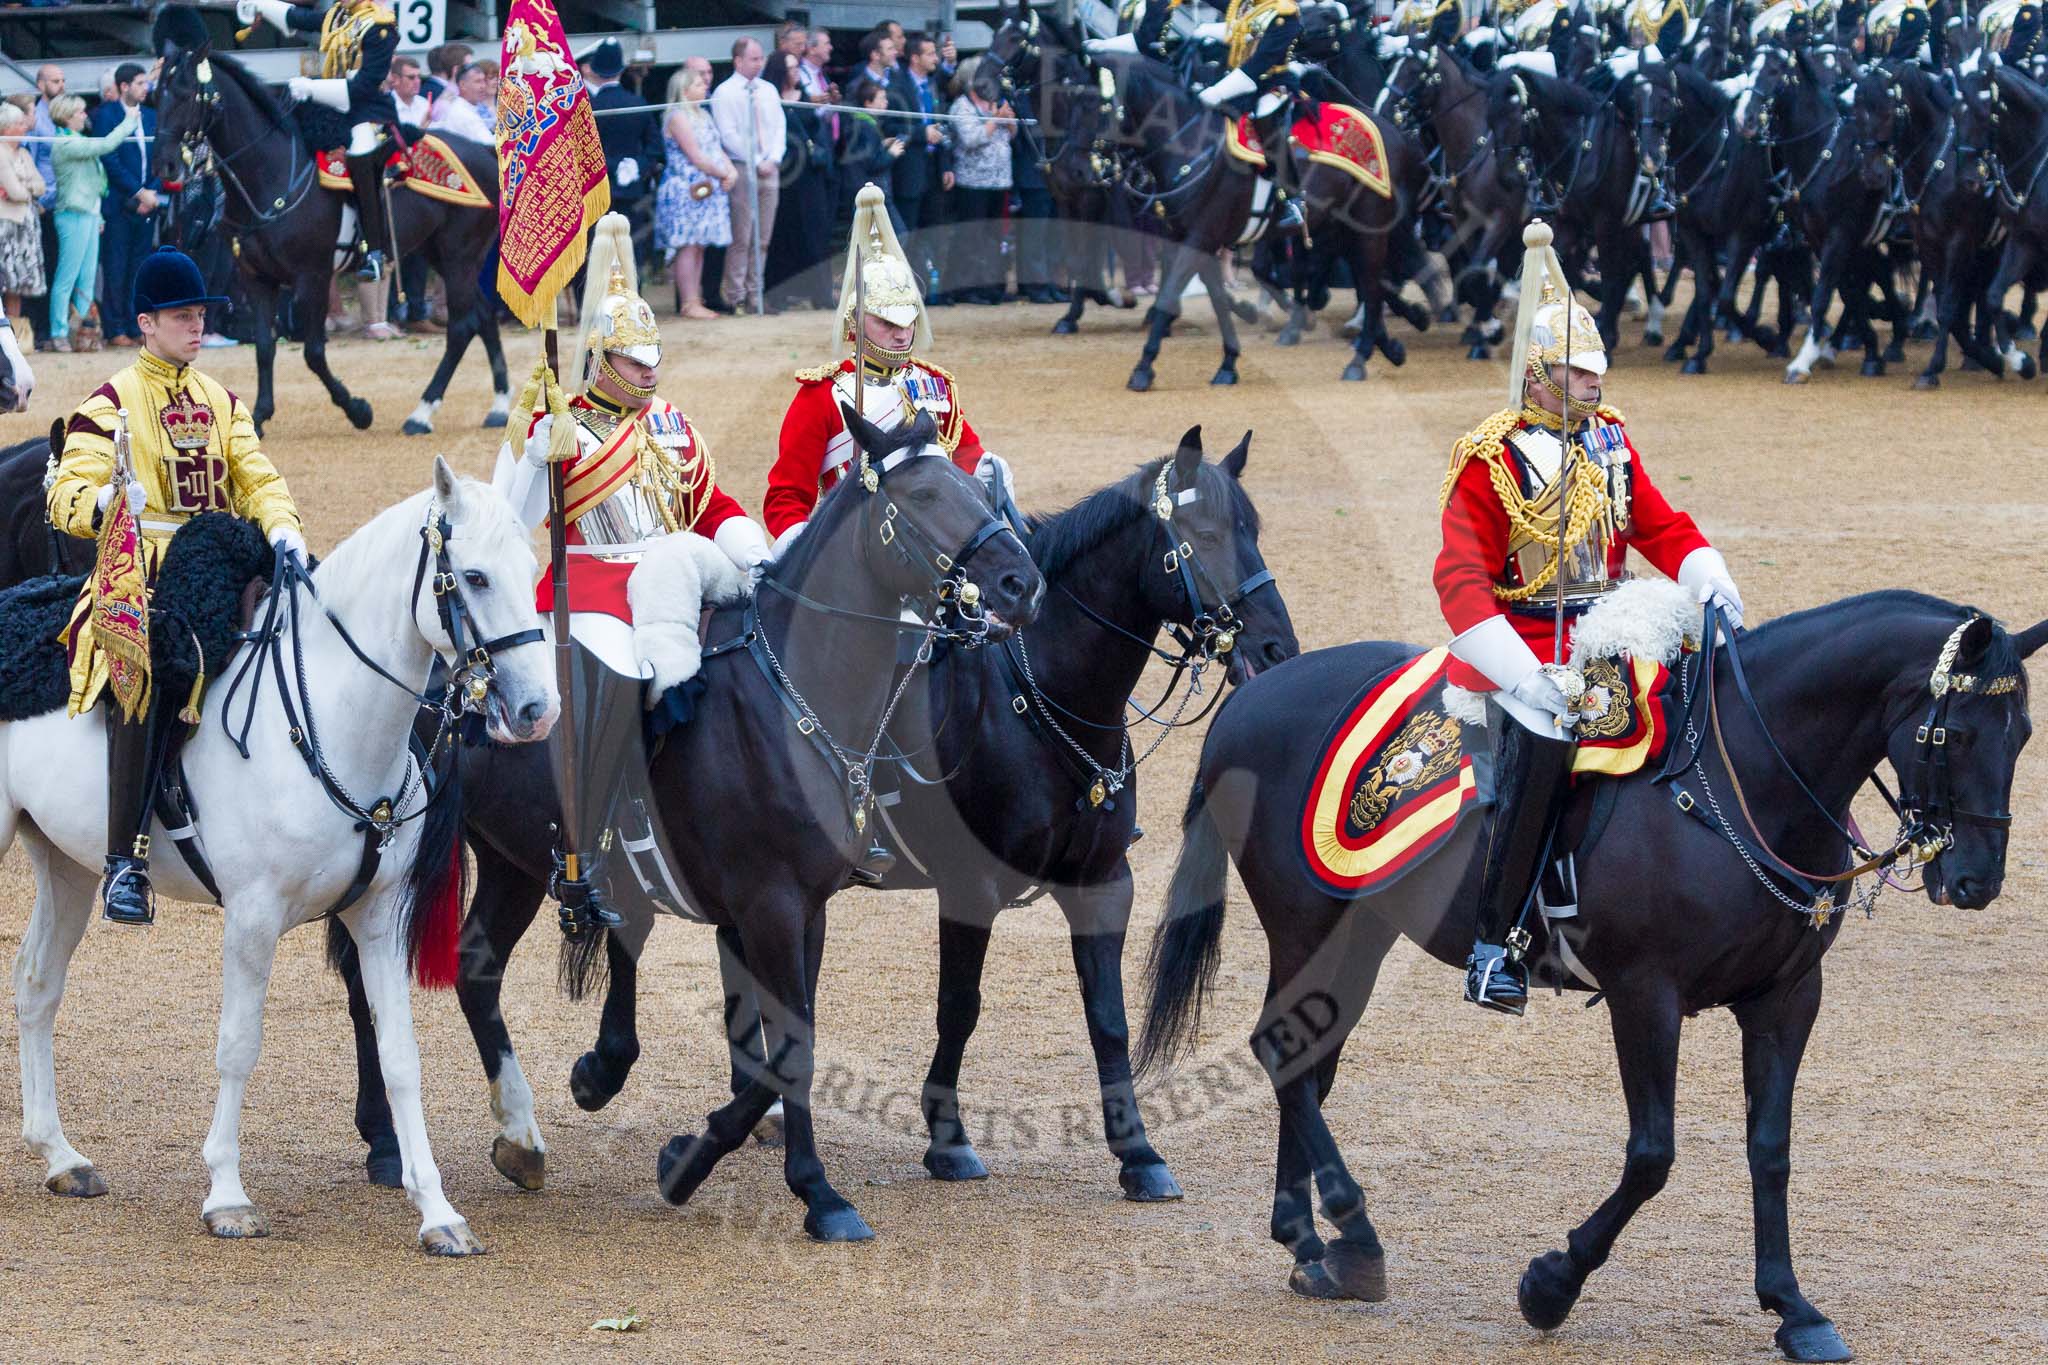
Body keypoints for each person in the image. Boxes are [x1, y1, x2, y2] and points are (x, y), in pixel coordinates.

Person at [1434, 221, 1742, 1014]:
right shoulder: (1489, 459)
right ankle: (1492, 942)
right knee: (1543, 741)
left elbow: (1661, 526)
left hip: (1612, 626)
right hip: (1522, 642)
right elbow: (1461, 579)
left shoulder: (1610, 441)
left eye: (1596, 372)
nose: (1593, 386)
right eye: (1576, 374)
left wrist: (1708, 575)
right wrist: (1522, 674)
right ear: (1537, 376)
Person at [492, 214, 770, 928]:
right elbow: (509, 519)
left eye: (653, 358)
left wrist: (756, 553)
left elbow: (711, 503)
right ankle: (590, 841)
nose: (651, 370)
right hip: (589, 586)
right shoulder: (566, 422)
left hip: (672, 577)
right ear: (600, 360)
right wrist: (531, 451)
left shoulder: (670, 423)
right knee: (619, 677)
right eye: (635, 359)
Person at [48, 246, 307, 925]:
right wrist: (106, 502)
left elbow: (257, 478)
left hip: (220, 560)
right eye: (182, 316)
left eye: (199, 315)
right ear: (146, 323)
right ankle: (125, 861)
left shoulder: (222, 401)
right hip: (142, 571)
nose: (197, 327)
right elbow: (64, 495)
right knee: (147, 662)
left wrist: (282, 529)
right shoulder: (109, 401)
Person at [237, 0, 399, 282]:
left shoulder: (380, 26)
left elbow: (364, 85)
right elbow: (300, 18)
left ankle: (373, 250)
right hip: (331, 106)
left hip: (367, 111)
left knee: (361, 154)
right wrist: (260, 3)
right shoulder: (339, 16)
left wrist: (313, 87)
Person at [46, 93, 142, 352]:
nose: (84, 115)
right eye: (79, 112)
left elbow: (92, 184)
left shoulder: (78, 140)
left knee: (87, 278)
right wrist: (128, 122)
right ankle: (58, 333)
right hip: (71, 215)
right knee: (67, 277)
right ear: (67, 117)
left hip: (88, 214)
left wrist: (97, 215)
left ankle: (84, 332)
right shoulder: (65, 143)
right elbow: (105, 145)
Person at [711, 37, 787, 315]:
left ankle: (757, 293)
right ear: (738, 61)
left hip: (770, 166)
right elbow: (727, 133)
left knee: (763, 236)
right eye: (753, 58)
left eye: (760, 58)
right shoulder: (725, 92)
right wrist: (755, 160)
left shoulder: (768, 90)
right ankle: (735, 294)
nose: (759, 63)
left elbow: (779, 126)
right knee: (742, 235)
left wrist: (773, 158)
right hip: (742, 166)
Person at [655, 64, 736, 321]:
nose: (705, 87)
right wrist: (722, 173)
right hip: (686, 188)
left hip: (708, 186)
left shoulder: (703, 114)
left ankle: (695, 299)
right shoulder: (677, 116)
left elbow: (716, 148)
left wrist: (731, 170)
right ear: (684, 89)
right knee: (688, 245)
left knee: (699, 244)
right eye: (699, 84)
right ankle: (689, 302)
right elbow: (696, 155)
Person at [93, 62, 159, 348]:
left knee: (139, 268)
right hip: (119, 204)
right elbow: (109, 159)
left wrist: (150, 192)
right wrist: (137, 191)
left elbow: (159, 156)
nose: (145, 88)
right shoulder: (105, 116)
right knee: (115, 268)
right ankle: (115, 326)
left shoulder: (153, 115)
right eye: (140, 83)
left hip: (148, 204)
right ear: (124, 86)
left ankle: (135, 325)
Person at [764, 50, 835, 310]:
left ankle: (821, 293)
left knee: (815, 233)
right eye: (790, 68)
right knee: (782, 233)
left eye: (797, 67)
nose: (796, 72)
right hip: (784, 173)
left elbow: (817, 129)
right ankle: (779, 293)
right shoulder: (769, 97)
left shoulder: (805, 96)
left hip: (810, 174)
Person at [946, 60, 1016, 305]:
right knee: (971, 237)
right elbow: (971, 138)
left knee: (994, 237)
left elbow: (1012, 134)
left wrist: (1006, 120)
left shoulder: (994, 103)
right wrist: (996, 119)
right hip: (973, 182)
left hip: (1000, 180)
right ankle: (966, 287)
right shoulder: (962, 106)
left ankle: (993, 285)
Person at [582, 40, 662, 246]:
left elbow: (580, 153)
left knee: (598, 250)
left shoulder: (587, 107)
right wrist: (636, 165)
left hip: (595, 191)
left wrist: (613, 166)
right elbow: (655, 149)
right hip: (632, 189)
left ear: (596, 70)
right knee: (630, 246)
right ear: (621, 70)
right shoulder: (637, 103)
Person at [894, 33, 954, 296]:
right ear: (915, 58)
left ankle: (934, 289)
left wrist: (947, 165)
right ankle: (907, 289)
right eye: (930, 54)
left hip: (934, 167)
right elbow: (892, 125)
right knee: (910, 230)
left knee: (935, 231)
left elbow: (941, 124)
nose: (935, 58)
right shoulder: (896, 85)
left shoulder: (933, 84)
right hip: (910, 168)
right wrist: (921, 134)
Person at [0, 105, 47, 328]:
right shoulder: (0, 153)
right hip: (6, 227)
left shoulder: (25, 153)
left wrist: (23, 188)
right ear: (6, 128)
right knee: (5, 280)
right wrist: (25, 189)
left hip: (25, 226)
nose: (24, 127)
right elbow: (15, 191)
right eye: (19, 123)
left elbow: (41, 186)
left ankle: (15, 336)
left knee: (17, 285)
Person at [28, 64, 63, 354]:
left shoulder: (64, 116)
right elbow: (32, 162)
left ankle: (54, 330)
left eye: (63, 80)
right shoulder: (35, 119)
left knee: (58, 269)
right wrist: (37, 200)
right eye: (54, 80)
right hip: (43, 206)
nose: (60, 85)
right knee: (41, 269)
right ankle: (39, 332)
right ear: (41, 85)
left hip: (63, 203)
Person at [428, 61, 497, 144]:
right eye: (477, 81)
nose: (483, 86)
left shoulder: (464, 106)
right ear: (463, 85)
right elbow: (491, 146)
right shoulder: (463, 113)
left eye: (483, 81)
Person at [389, 54, 432, 126]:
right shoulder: (386, 107)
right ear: (395, 79)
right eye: (411, 77)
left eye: (419, 76)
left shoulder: (424, 104)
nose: (417, 81)